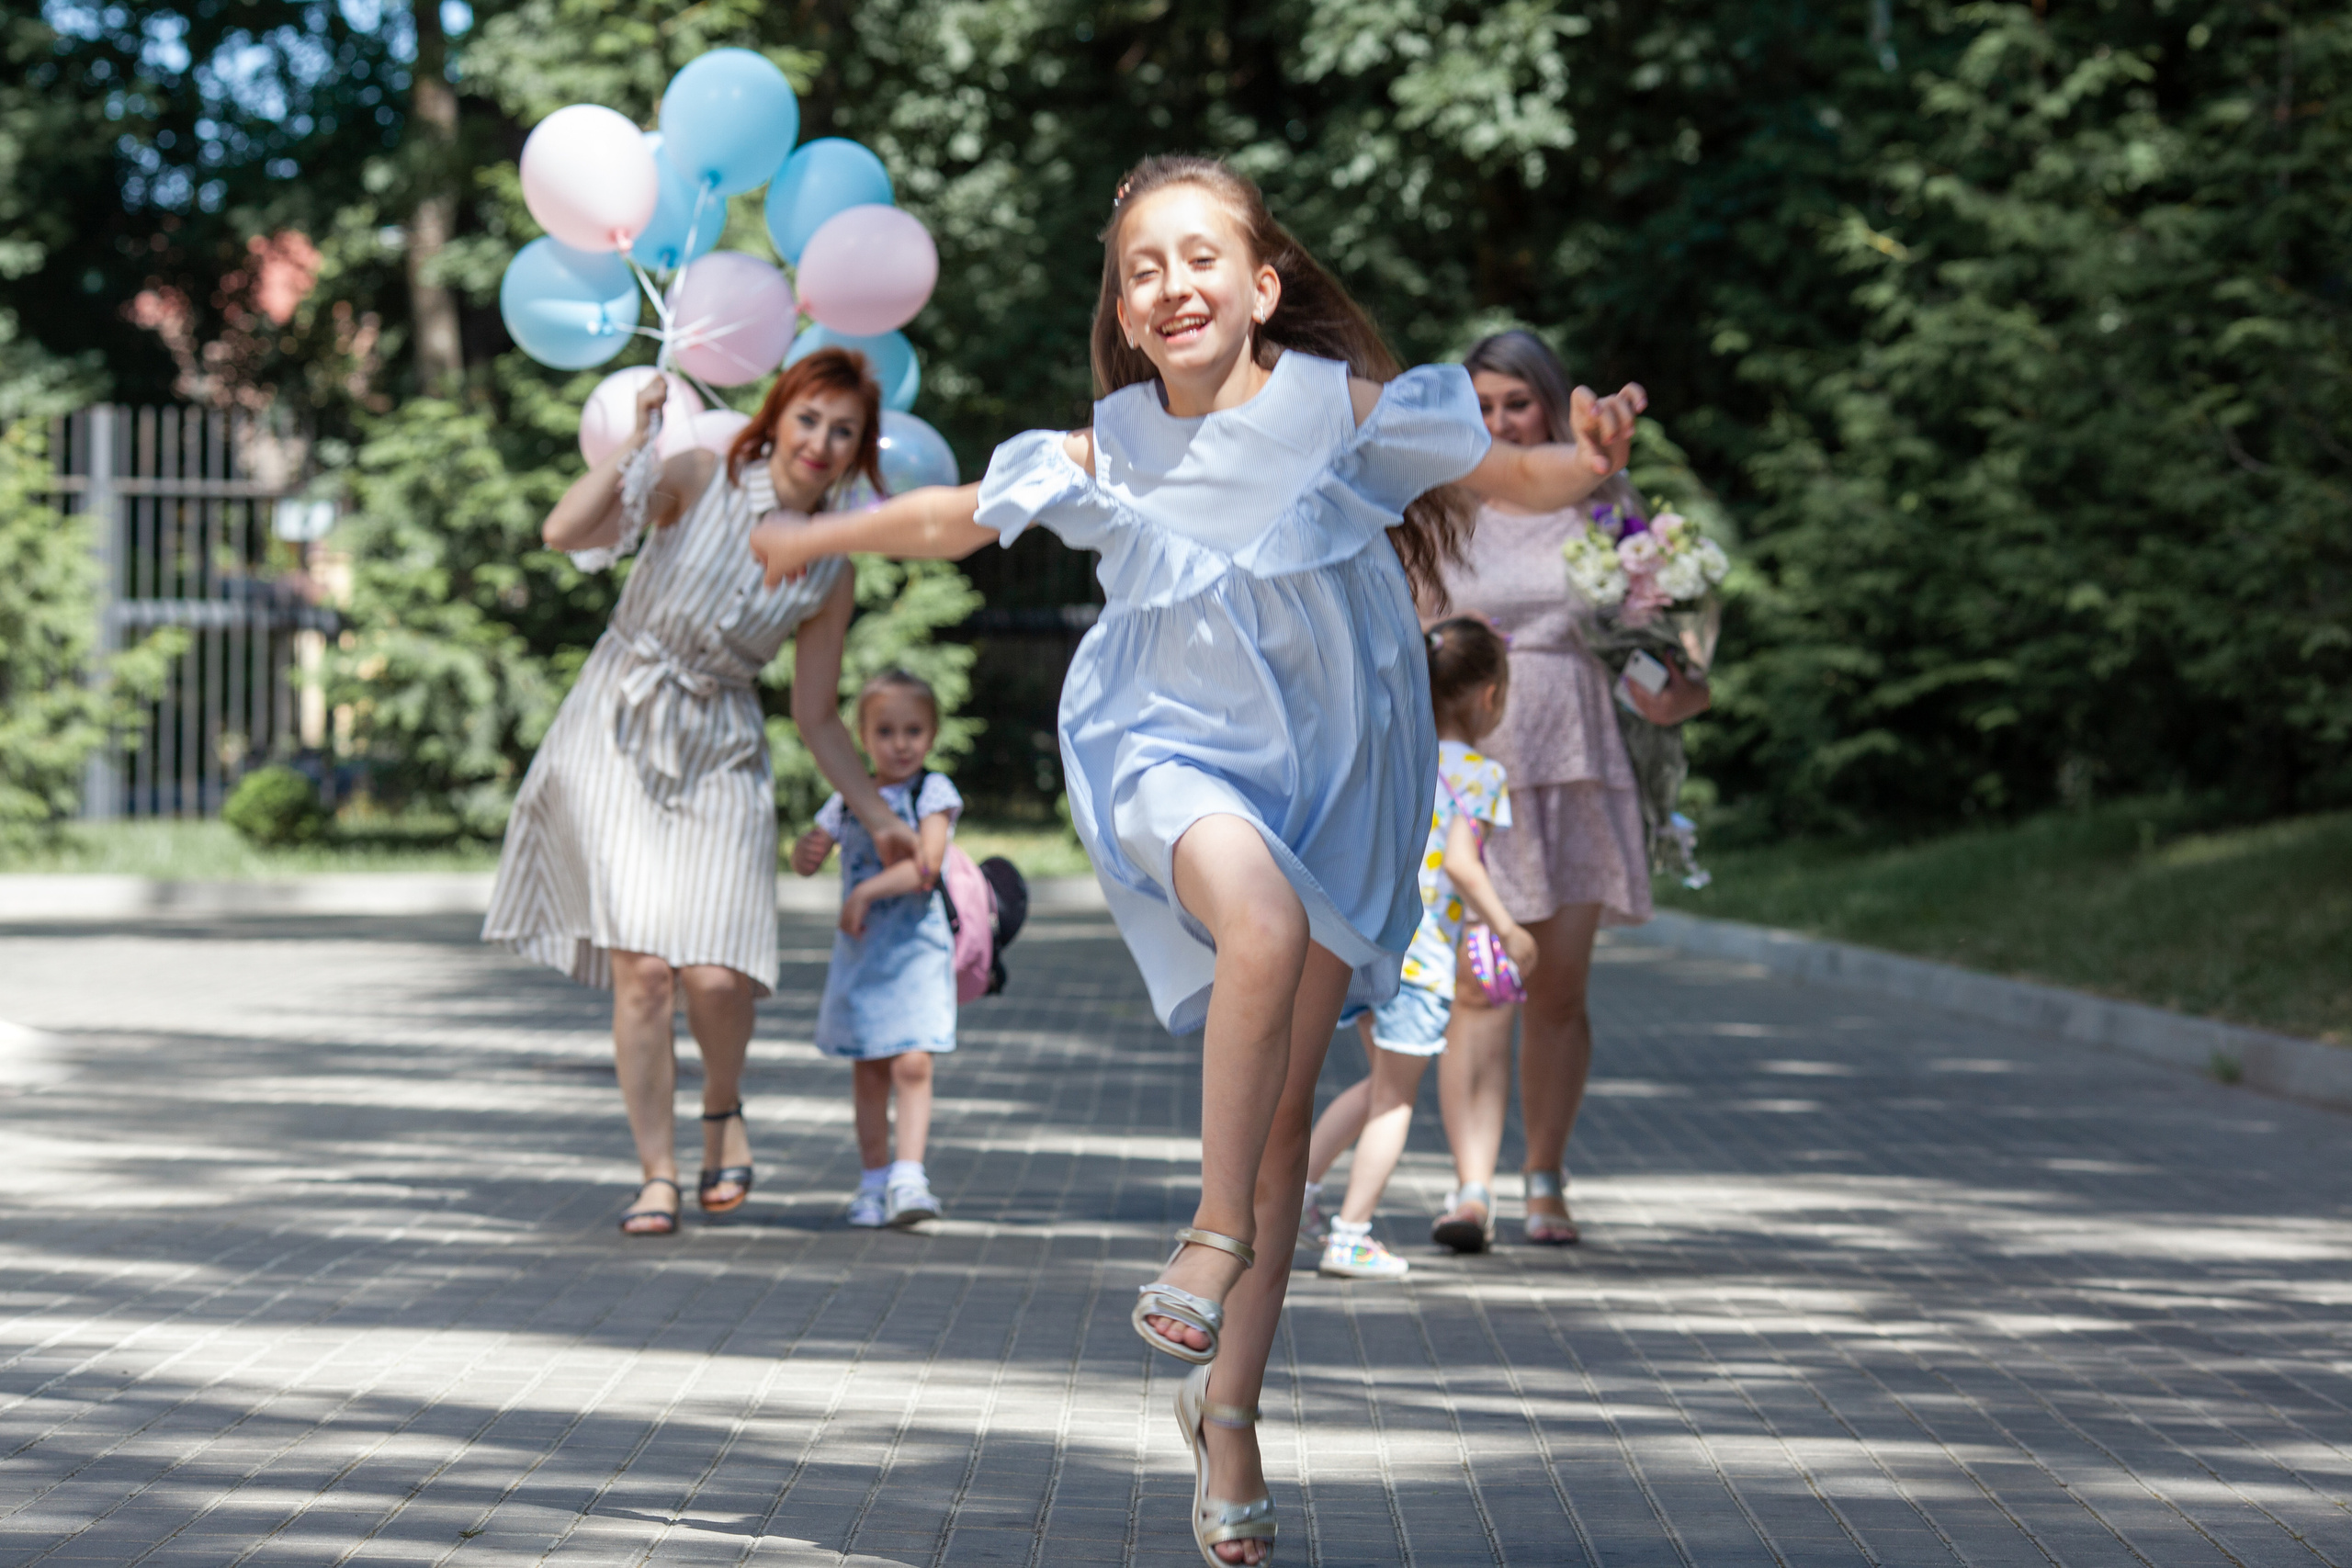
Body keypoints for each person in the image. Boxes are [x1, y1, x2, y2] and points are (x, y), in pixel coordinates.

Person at [745, 156, 1644, 1565]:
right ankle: (1211, 1228)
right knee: (1261, 930)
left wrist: (1586, 458)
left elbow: (1507, 468)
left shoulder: (1337, 406)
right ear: (1122, 303)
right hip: (1170, 748)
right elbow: (954, 515)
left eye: (1200, 257)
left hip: (1341, 775)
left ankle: (1228, 1410)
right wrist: (817, 528)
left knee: (1289, 1117)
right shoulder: (1116, 437)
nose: (1171, 284)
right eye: (1141, 267)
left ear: (1263, 284)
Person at [482, 350, 918, 1238]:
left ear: (859, 448)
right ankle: (658, 1172)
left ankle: (724, 1106)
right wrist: (637, 441)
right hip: (619, 721)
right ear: (777, 414)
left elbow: (816, 714)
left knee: (717, 974)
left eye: (843, 431)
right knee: (643, 969)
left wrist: (878, 817)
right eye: (809, 419)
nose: (821, 442)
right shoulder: (697, 473)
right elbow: (564, 532)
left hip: (722, 741)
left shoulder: (832, 563)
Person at [1429, 329, 1709, 1252]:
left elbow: (1666, 636)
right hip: (1475, 761)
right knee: (1480, 984)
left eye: (1515, 404)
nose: (1499, 423)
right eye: (1478, 408)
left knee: (1555, 989)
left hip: (1578, 750)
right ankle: (1470, 1189)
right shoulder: (1441, 504)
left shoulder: (1602, 499)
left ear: (1550, 405)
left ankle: (1544, 1176)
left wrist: (1679, 678)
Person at [1299, 617, 1533, 1281]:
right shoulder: (1480, 774)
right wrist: (1510, 929)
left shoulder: (1394, 758)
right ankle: (1351, 1233)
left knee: (1379, 1086)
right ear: (1489, 695)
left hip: (1368, 945)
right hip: (1424, 960)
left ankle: (1297, 1199)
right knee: (1395, 1102)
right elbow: (1463, 863)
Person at [789, 669, 962, 1228]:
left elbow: (926, 865)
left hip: (914, 951)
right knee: (868, 1069)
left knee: (913, 1061)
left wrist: (865, 890)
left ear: (931, 735)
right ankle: (871, 1181)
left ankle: (909, 1177)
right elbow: (803, 863)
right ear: (862, 739)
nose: (901, 743)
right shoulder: (846, 800)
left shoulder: (932, 792)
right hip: (863, 958)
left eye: (913, 730)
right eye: (885, 731)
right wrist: (809, 849)